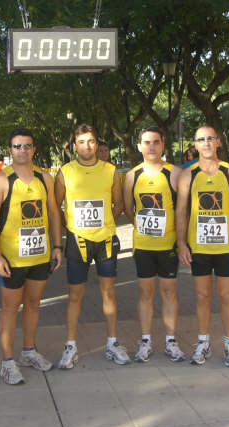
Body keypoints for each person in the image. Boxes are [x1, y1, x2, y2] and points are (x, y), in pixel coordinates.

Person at [0, 128, 63, 384]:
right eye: (17, 146)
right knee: (9, 308)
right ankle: (7, 361)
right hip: (12, 259)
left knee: (33, 305)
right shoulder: (1, 181)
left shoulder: (44, 178)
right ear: (10, 150)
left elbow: (53, 212)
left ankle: (28, 351)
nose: (22, 150)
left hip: (39, 257)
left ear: (34, 149)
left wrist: (57, 245)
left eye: (27, 146)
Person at [54, 123, 131, 369]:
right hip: (78, 242)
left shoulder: (110, 170)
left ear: (96, 144)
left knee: (109, 293)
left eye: (91, 141)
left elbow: (118, 203)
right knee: (74, 295)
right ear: (74, 145)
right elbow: (55, 207)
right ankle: (70, 346)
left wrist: (106, 222)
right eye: (81, 142)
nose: (86, 146)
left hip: (106, 240)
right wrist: (68, 229)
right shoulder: (65, 171)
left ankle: (111, 343)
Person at [176, 125, 229, 367]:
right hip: (198, 247)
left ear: (218, 142)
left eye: (210, 139)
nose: (206, 143)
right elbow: (180, 211)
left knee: (226, 295)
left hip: (225, 246)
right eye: (201, 139)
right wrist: (181, 244)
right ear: (195, 145)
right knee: (202, 296)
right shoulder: (189, 174)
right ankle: (203, 343)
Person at [123, 126, 185, 363]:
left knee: (169, 292)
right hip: (143, 246)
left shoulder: (175, 173)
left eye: (156, 142)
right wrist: (141, 226)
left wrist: (181, 241)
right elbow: (128, 209)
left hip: (168, 245)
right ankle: (146, 340)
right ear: (139, 146)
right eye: (146, 142)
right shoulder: (132, 176)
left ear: (163, 145)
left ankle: (171, 341)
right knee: (145, 293)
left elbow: (182, 210)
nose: (151, 147)